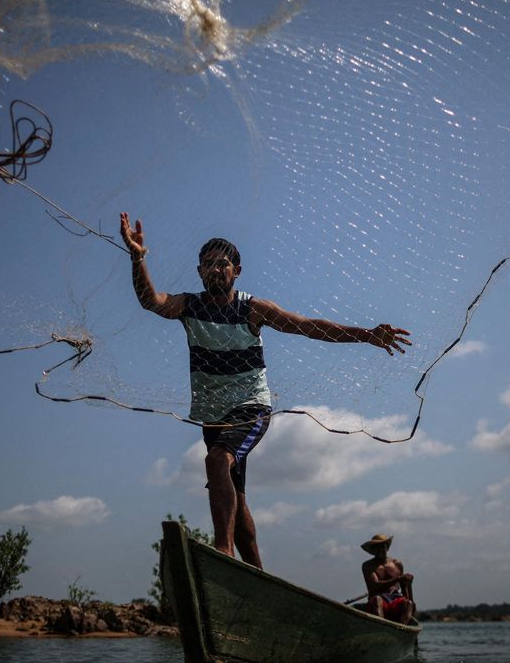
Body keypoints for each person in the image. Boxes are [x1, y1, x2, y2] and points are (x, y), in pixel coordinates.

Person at [120, 212, 412, 569]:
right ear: (199, 271)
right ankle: (256, 574)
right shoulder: (189, 306)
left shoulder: (252, 309)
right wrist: (137, 258)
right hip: (213, 414)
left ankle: (223, 553)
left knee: (216, 461)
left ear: (237, 271)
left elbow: (308, 326)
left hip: (251, 408)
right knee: (236, 496)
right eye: (208, 265)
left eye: (222, 264)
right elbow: (151, 301)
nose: (215, 270)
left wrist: (367, 335)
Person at [360, 533, 415, 624]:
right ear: (373, 550)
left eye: (382, 546)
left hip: (395, 600)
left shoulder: (397, 564)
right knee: (377, 600)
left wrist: (409, 588)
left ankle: (400, 629)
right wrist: (397, 579)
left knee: (408, 603)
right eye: (377, 547)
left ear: (387, 548)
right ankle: (382, 627)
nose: (380, 550)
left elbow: (404, 587)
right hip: (378, 601)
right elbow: (375, 585)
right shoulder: (368, 566)